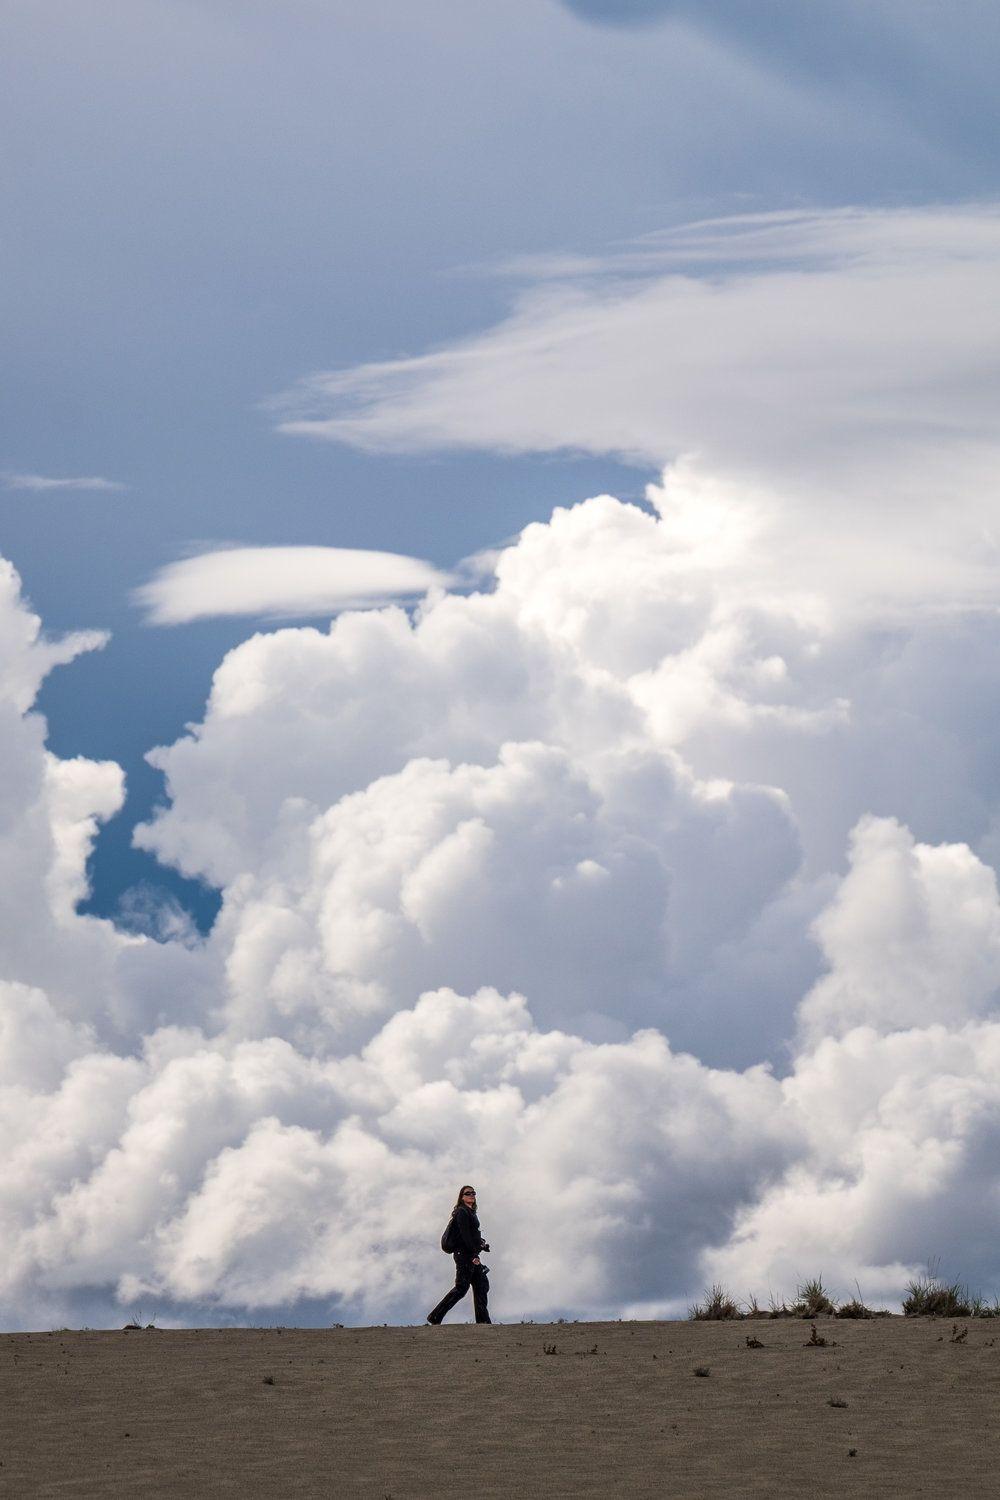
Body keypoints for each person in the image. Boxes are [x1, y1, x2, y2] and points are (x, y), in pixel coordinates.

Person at [427, 1184, 492, 1324]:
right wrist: (473, 1255)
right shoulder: (462, 1212)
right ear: (462, 1197)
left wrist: (481, 1244)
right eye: (468, 1193)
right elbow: (465, 1235)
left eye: (473, 1193)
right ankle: (435, 1317)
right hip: (464, 1255)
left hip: (470, 1253)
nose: (472, 1195)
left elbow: (472, 1235)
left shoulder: (470, 1212)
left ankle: (484, 1323)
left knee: (481, 1284)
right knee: (461, 1288)